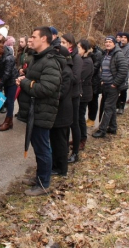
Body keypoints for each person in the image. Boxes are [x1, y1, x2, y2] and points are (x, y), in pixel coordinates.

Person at [17, 26, 64, 196]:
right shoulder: (38, 58)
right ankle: (39, 177)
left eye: (34, 36)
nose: (31, 39)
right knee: (39, 146)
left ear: (44, 39)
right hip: (34, 110)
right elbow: (35, 79)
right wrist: (25, 77)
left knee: (43, 147)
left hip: (43, 111)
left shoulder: (50, 61)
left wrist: (24, 83)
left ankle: (44, 184)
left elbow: (47, 88)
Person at [92, 36, 128, 138]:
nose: (107, 43)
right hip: (105, 85)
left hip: (113, 87)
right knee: (111, 107)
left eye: (110, 42)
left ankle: (102, 130)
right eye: (106, 42)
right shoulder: (105, 54)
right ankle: (112, 128)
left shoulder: (118, 54)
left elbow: (123, 70)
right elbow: (102, 69)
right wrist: (102, 80)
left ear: (114, 43)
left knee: (107, 107)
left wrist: (115, 83)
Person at [50, 45, 74, 176]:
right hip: (58, 112)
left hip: (62, 113)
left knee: (60, 142)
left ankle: (61, 169)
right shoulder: (61, 69)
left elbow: (62, 93)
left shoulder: (66, 71)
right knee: (55, 141)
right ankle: (55, 165)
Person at [0, 42, 19, 131]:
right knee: (7, 100)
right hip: (5, 80)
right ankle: (9, 121)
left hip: (11, 81)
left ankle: (8, 122)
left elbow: (7, 73)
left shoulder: (9, 58)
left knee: (10, 101)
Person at [60, 33, 82, 151]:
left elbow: (75, 78)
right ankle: (65, 149)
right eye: (60, 42)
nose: (61, 44)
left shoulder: (76, 58)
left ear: (70, 44)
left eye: (63, 42)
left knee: (74, 124)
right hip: (64, 95)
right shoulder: (62, 56)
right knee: (65, 124)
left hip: (73, 95)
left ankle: (76, 152)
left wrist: (63, 75)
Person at [76, 39, 93, 156]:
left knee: (80, 117)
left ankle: (83, 139)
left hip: (84, 93)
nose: (77, 50)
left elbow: (79, 75)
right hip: (80, 92)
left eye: (79, 48)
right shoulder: (81, 60)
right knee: (77, 117)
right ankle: (78, 138)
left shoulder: (87, 62)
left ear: (85, 50)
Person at [86, 36, 103, 126]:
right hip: (89, 80)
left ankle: (92, 119)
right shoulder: (89, 52)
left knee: (93, 101)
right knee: (88, 100)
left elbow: (96, 67)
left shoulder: (98, 53)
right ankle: (89, 118)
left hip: (95, 80)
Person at [117, 32, 129, 114]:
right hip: (114, 72)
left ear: (128, 40)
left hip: (123, 73)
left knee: (123, 90)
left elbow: (127, 62)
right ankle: (116, 105)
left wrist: (117, 64)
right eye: (122, 37)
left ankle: (121, 107)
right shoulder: (116, 46)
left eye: (125, 37)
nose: (123, 39)